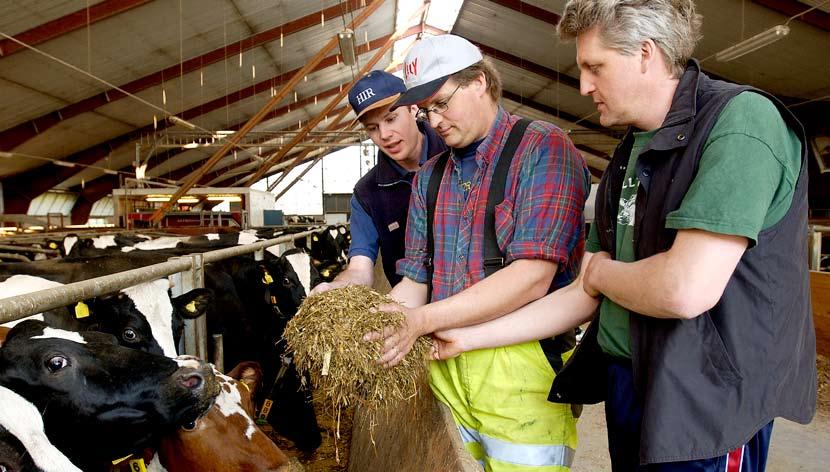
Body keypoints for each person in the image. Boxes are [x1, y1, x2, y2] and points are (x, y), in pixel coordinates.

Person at [430, 2, 816, 471]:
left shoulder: (741, 123)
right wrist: (468, 338)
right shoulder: (631, 149)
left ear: (645, 54)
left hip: (707, 398)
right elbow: (581, 292)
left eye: (595, 67)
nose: (584, 85)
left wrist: (605, 273)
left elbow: (683, 289)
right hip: (630, 380)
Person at [372, 34, 591, 471]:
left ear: (480, 83)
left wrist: (423, 321)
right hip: (447, 366)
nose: (433, 121)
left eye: (441, 102)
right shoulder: (430, 177)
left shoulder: (542, 149)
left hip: (524, 367)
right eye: (425, 110)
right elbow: (415, 279)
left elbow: (532, 277)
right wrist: (376, 330)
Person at [310, 70, 447, 294]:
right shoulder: (367, 193)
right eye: (372, 128)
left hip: (474, 302)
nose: (384, 134)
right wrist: (336, 288)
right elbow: (360, 269)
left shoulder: (455, 153)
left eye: (391, 119)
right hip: (409, 307)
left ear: (413, 108)